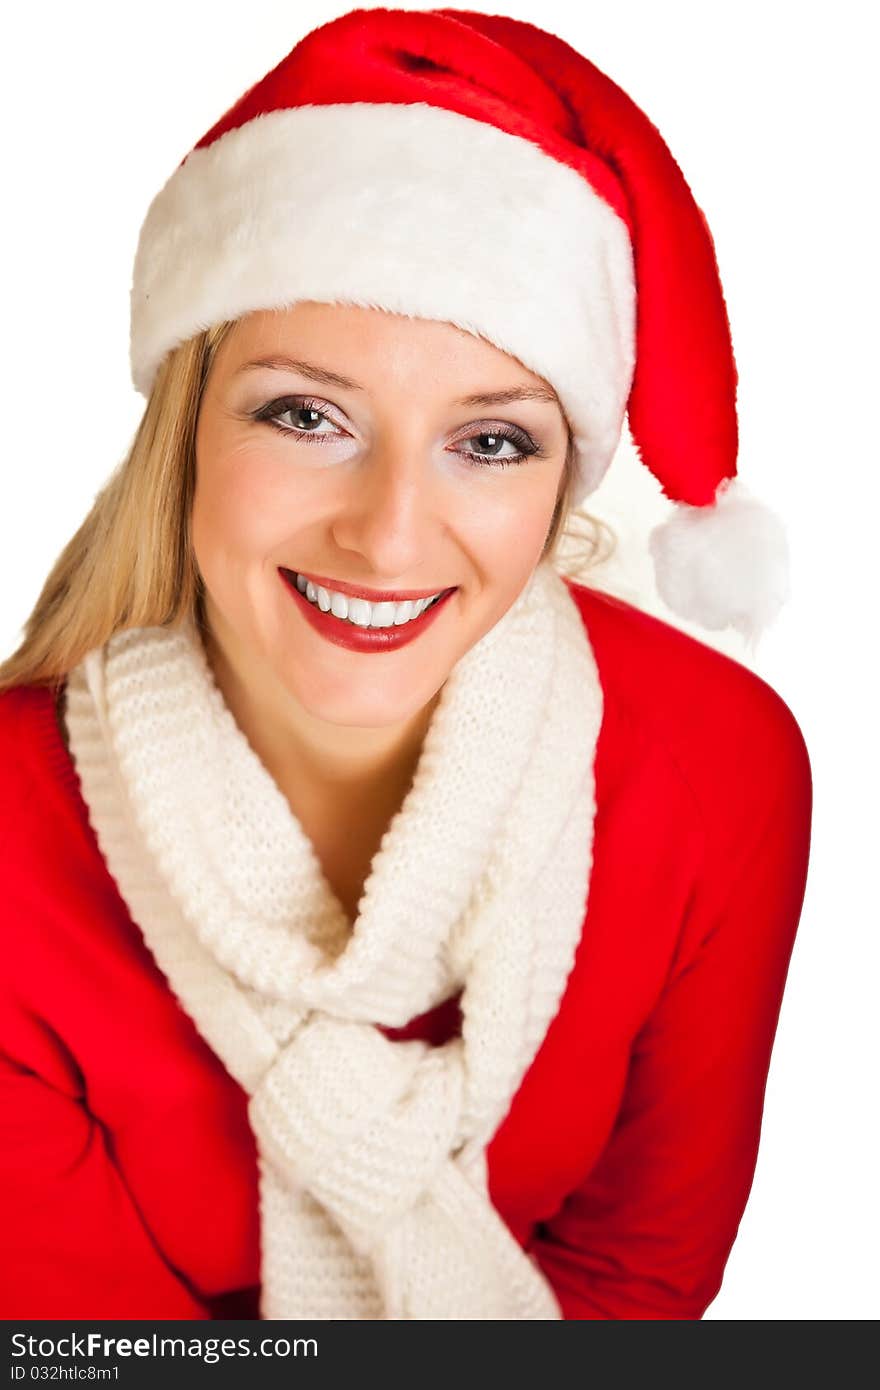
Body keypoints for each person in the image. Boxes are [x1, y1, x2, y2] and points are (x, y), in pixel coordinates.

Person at [0, 6, 812, 1320]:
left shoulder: (720, 765)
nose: (387, 534)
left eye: (491, 442)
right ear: (189, 432)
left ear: (559, 491)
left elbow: (636, 1283)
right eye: (307, 414)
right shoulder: (11, 844)